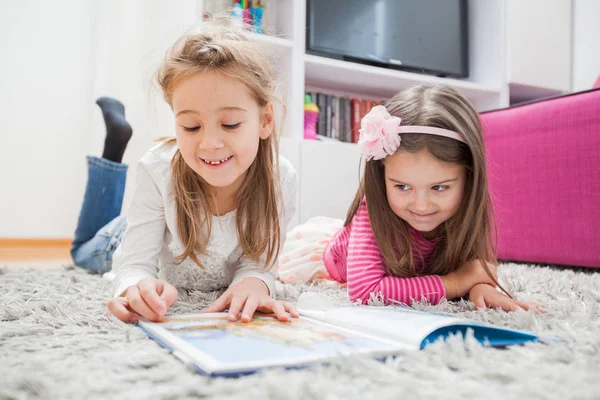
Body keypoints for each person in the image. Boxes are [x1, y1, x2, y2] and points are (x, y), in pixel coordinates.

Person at [71, 19, 299, 324]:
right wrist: (133, 286)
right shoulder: (156, 168)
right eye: (191, 126)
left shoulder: (281, 178)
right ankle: (111, 154)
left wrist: (254, 283)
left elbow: (260, 265)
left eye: (230, 124)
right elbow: (134, 263)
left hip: (154, 219)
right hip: (122, 235)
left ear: (265, 121)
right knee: (83, 251)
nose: (210, 144)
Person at [277, 85, 538, 312]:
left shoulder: (467, 207)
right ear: (382, 176)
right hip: (336, 259)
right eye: (402, 186)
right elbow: (365, 291)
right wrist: (457, 283)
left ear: (470, 178)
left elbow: (475, 266)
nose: (421, 206)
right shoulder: (373, 208)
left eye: (439, 188)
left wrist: (481, 285)